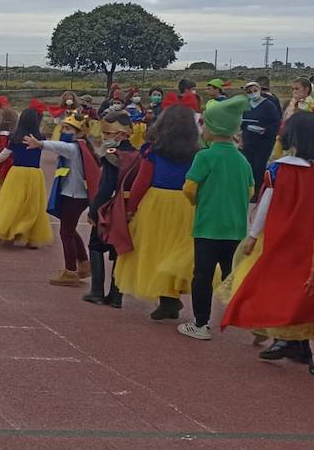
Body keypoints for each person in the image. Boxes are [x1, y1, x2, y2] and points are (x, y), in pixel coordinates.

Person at [221, 112, 314, 364]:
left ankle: (285, 338)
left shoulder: (280, 169)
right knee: (302, 291)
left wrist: (253, 235)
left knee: (273, 285)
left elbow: (266, 203)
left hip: (282, 238)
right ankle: (297, 343)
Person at [178, 96, 254, 341]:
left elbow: (189, 188)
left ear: (213, 128)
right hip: (236, 228)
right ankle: (254, 320)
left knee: (202, 276)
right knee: (233, 276)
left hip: (208, 227)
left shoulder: (205, 156)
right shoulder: (243, 160)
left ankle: (201, 324)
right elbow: (251, 191)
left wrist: (199, 203)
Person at [117, 105, 201, 319]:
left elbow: (141, 182)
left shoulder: (152, 150)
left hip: (157, 203)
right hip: (186, 204)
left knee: (155, 250)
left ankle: (167, 300)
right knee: (177, 249)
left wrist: (130, 208)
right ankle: (172, 297)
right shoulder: (198, 152)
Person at [25, 113, 99, 285]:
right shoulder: (82, 147)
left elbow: (59, 147)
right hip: (76, 194)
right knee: (70, 229)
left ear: (79, 132)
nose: (64, 131)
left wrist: (40, 144)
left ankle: (70, 271)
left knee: (65, 233)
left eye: (68, 128)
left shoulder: (73, 148)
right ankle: (84, 263)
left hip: (74, 195)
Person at [84, 112, 138, 307]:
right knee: (119, 249)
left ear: (122, 134)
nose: (105, 138)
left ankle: (97, 291)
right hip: (129, 208)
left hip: (111, 207)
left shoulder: (112, 156)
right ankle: (116, 295)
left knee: (95, 245)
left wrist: (93, 210)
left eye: (108, 134)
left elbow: (106, 186)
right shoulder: (137, 155)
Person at [0, 108, 53, 248]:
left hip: (17, 173)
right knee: (32, 206)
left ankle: (11, 230)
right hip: (35, 174)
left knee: (12, 203)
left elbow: (4, 154)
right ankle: (30, 235)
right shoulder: (40, 137)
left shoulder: (15, 137)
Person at [240, 80, 282, 193]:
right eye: (249, 91)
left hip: (263, 142)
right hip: (248, 140)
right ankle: (250, 190)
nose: (252, 93)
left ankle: (258, 191)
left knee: (259, 166)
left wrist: (265, 130)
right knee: (249, 166)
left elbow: (276, 122)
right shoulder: (247, 105)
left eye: (254, 90)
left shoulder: (268, 105)